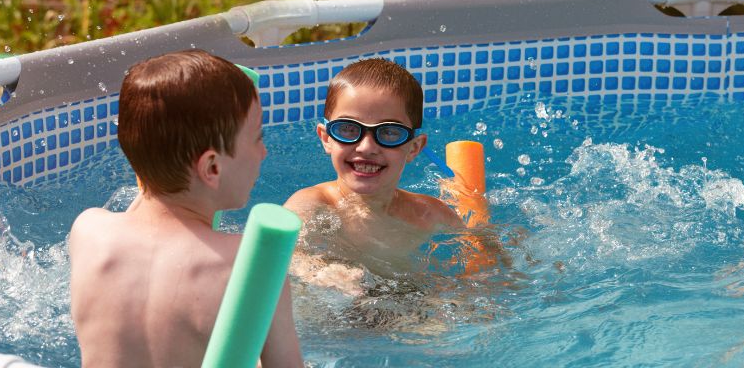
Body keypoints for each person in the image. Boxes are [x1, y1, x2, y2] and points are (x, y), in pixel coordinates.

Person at [67, 50, 303, 367]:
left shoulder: (89, 231)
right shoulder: (246, 263)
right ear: (213, 168)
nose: (263, 152)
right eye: (257, 138)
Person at [284, 59, 467, 295]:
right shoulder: (312, 204)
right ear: (326, 138)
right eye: (348, 129)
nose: (367, 147)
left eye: (389, 132)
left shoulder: (430, 214)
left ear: (414, 147)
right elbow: (275, 252)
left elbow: (484, 257)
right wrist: (318, 271)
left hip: (407, 303)